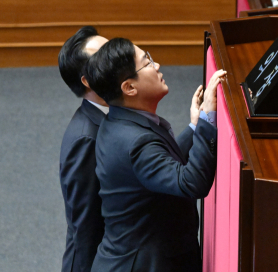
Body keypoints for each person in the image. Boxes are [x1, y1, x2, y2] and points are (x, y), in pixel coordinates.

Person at [84, 38, 226, 272]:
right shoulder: (135, 141)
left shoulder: (118, 120)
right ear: (129, 87)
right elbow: (191, 183)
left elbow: (158, 167)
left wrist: (194, 128)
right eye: (147, 62)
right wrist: (208, 118)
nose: (157, 65)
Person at [58, 26, 109, 272]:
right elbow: (86, 227)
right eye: (106, 56)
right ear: (87, 81)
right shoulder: (86, 139)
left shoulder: (115, 112)